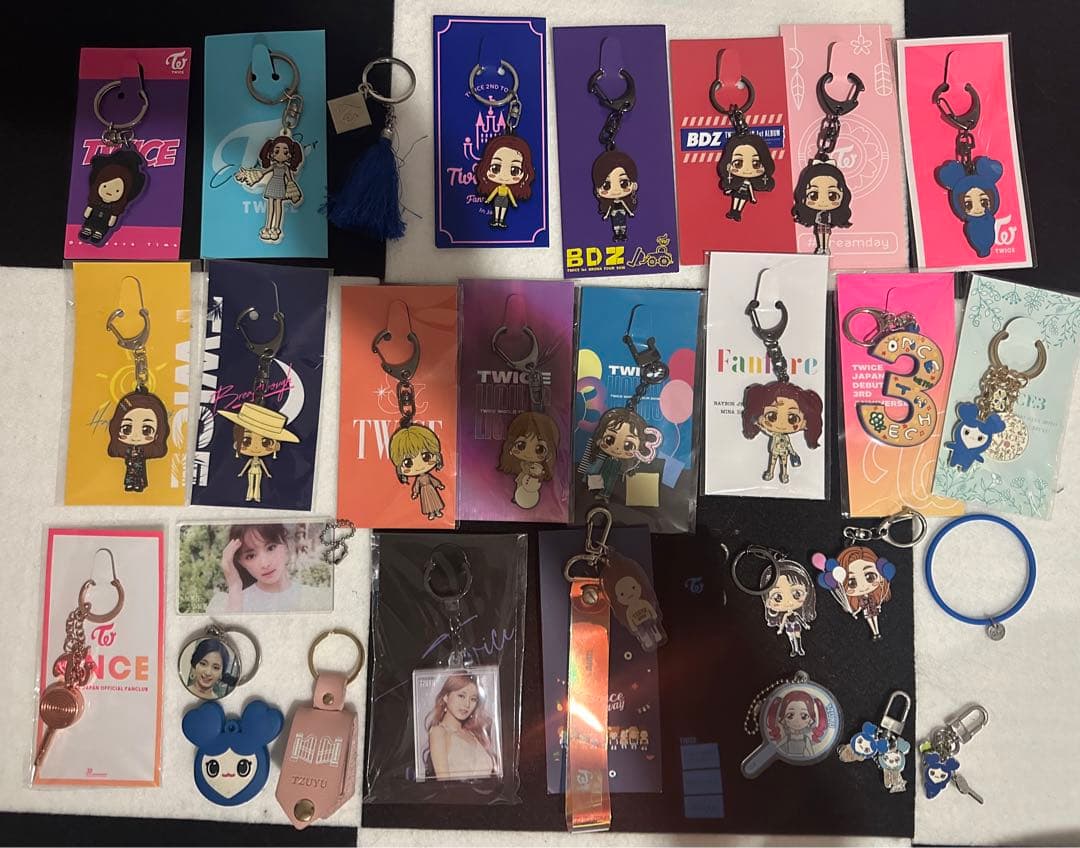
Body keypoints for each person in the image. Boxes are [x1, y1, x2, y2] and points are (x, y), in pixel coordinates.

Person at [207, 523, 328, 613]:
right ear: (241, 562)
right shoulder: (230, 603)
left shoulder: (316, 598)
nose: (265, 564)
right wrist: (234, 587)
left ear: (286, 545)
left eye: (271, 548)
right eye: (251, 556)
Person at [216, 402, 300, 503]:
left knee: (257, 485)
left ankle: (257, 496)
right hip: (251, 472)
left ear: (277, 446)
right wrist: (242, 473)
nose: (255, 447)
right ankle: (249, 496)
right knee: (251, 484)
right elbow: (247, 465)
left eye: (266, 442)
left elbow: (264, 467)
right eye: (246, 441)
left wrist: (267, 473)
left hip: (260, 473)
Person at [741, 382, 823, 484]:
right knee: (773, 462)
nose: (781, 424)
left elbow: (788, 445)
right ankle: (770, 473)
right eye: (772, 416)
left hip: (784, 452)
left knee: (784, 464)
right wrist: (758, 423)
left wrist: (792, 452)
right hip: (775, 451)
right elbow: (767, 430)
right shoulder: (774, 434)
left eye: (792, 418)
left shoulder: (782, 436)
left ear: (805, 422)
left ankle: (784, 474)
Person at [423, 674, 499, 780]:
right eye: (461, 696)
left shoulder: (474, 734)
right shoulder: (439, 732)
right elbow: (444, 783)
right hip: (456, 791)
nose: (467, 704)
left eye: (473, 699)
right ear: (446, 697)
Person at [579, 407, 661, 502]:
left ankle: (605, 494)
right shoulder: (602, 456)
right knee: (602, 476)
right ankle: (599, 492)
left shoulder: (629, 463)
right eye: (609, 439)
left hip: (616, 464)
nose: (617, 448)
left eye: (628, 445)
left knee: (610, 479)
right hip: (607, 462)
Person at [234, 134, 304, 243]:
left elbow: (290, 179)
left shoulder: (286, 168)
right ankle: (267, 227)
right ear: (271, 153)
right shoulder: (274, 166)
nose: (280, 155)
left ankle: (276, 228)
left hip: (281, 186)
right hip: (272, 184)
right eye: (277, 151)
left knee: (278, 205)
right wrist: (251, 175)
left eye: (285, 152)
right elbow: (263, 172)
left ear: (290, 155)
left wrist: (293, 190)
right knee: (271, 205)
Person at [106, 391, 170, 493]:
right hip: (131, 468)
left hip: (138, 469)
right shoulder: (128, 450)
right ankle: (130, 484)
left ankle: (138, 485)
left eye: (146, 430)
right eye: (126, 429)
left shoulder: (143, 451)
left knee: (138, 477)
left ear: (158, 433)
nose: (135, 436)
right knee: (130, 476)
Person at [79, 149, 147, 245]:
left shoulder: (116, 207)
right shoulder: (94, 200)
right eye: (105, 186)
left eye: (117, 191)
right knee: (90, 222)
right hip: (94, 215)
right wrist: (88, 210)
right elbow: (89, 209)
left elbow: (113, 217)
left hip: (105, 219)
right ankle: (87, 229)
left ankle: (99, 233)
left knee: (102, 226)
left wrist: (112, 220)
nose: (110, 191)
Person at [497, 411, 560, 509]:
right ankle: (517, 497)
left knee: (529, 486)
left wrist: (538, 473)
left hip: (533, 489)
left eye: (539, 449)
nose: (529, 453)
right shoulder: (519, 465)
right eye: (521, 445)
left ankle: (524, 498)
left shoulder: (538, 468)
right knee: (521, 483)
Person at [791, 161, 853, 254]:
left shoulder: (830, 215)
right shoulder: (815, 214)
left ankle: (825, 247)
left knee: (826, 233)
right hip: (820, 225)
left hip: (826, 224)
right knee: (820, 232)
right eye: (813, 195)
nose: (823, 201)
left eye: (832, 196)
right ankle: (821, 247)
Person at [474, 136, 535, 229]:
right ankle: (496, 220)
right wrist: (488, 200)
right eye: (495, 168)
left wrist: (514, 203)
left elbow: (510, 196)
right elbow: (493, 194)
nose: (504, 176)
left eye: (515, 170)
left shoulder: (507, 189)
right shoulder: (498, 188)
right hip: (498, 199)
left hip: (505, 200)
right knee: (497, 209)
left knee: (503, 210)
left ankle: (501, 221)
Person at [389, 424, 446, 520]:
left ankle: (437, 511)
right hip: (424, 491)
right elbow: (416, 486)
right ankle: (431, 513)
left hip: (431, 489)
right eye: (408, 463)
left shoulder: (428, 476)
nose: (419, 465)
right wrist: (415, 493)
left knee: (435, 501)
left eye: (426, 456)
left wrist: (439, 485)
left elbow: (434, 480)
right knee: (428, 503)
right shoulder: (419, 480)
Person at [761, 561, 817, 657]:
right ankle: (794, 649)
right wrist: (780, 629)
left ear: (807, 592)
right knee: (791, 637)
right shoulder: (786, 615)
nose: (788, 602)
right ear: (768, 602)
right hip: (789, 626)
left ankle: (799, 648)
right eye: (778, 597)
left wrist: (805, 625)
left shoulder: (795, 614)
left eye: (797, 594)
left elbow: (799, 619)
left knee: (797, 635)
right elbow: (783, 622)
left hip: (796, 625)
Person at [716, 132, 776, 222]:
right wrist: (729, 190)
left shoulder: (748, 183)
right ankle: (733, 212)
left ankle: (737, 213)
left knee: (741, 203)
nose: (747, 169)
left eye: (756, 164)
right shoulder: (735, 181)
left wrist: (752, 197)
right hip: (737, 193)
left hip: (745, 195)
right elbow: (734, 187)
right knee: (736, 201)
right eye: (737, 163)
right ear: (728, 165)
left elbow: (751, 190)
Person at [765, 689, 828, 759]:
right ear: (783, 718)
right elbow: (777, 746)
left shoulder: (805, 739)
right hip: (787, 758)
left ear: (811, 720)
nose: (797, 721)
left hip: (803, 760)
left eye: (804, 716)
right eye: (790, 715)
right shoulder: (788, 737)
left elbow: (811, 752)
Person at [592, 150, 639, 242]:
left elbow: (626, 206)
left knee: (622, 223)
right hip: (614, 214)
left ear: (634, 185)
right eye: (606, 185)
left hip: (622, 213)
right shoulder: (612, 204)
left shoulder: (622, 202)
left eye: (624, 183)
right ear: (597, 190)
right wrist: (606, 215)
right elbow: (609, 208)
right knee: (616, 224)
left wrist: (630, 213)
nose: (616, 191)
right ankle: (617, 235)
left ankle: (623, 234)